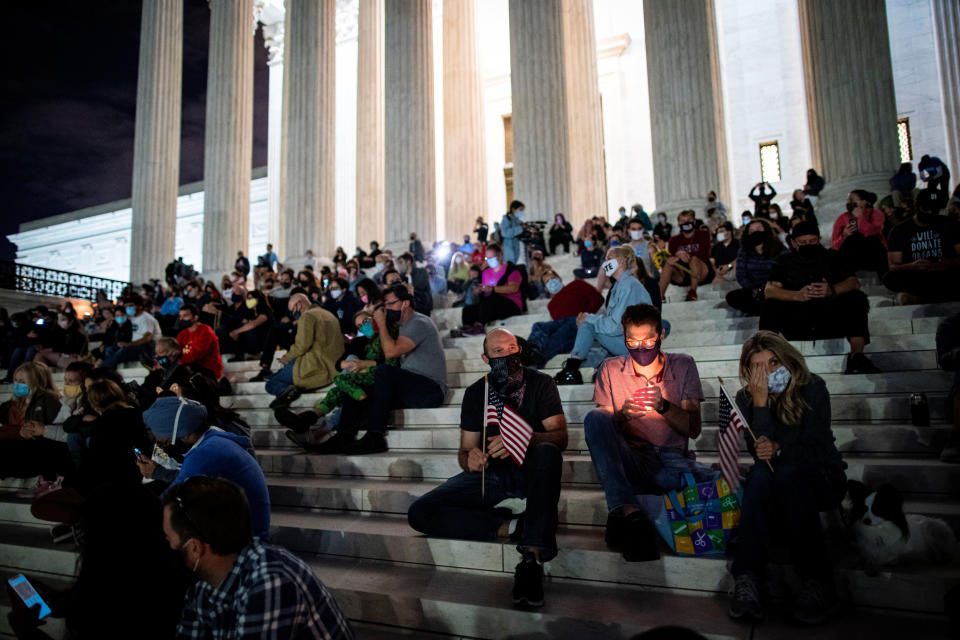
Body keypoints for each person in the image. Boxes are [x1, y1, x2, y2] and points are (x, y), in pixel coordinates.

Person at [407, 329, 566, 608]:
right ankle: (513, 525)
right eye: (498, 352)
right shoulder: (476, 392)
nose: (508, 355)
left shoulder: (541, 383)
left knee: (547, 452)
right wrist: (469, 458)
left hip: (533, 470)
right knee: (420, 513)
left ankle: (531, 556)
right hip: (491, 474)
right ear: (485, 358)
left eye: (512, 348)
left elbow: (560, 437)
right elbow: (464, 449)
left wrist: (523, 438)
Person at [728, 331, 846, 625]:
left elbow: (816, 445)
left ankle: (818, 582)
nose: (767, 372)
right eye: (758, 366)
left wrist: (778, 448)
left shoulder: (813, 387)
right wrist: (760, 404)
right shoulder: (748, 398)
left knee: (790, 472)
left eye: (773, 362)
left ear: (787, 360)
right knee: (759, 475)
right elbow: (761, 458)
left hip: (820, 476)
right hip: (775, 482)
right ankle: (748, 578)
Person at [583, 303, 706, 562]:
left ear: (661, 335)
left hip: (671, 461)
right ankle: (631, 513)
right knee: (595, 417)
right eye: (632, 341)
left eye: (648, 340)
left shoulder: (682, 365)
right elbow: (602, 434)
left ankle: (622, 513)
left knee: (713, 482)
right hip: (633, 458)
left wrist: (663, 406)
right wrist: (623, 415)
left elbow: (693, 429)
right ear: (624, 338)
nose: (640, 348)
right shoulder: (610, 368)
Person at [163, 477, 354, 639]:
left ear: (195, 548)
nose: (168, 547)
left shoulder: (269, 582)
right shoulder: (204, 587)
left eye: (168, 538)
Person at [307, 284, 446, 455]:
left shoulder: (419, 322)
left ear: (405, 304)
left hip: (429, 390)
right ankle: (343, 437)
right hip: (407, 389)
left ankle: (375, 436)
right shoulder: (400, 327)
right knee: (356, 388)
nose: (386, 309)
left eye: (389, 304)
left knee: (384, 371)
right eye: (384, 305)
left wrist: (380, 321)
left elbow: (390, 352)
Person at [139, 396, 270, 538]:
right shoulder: (213, 437)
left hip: (246, 540)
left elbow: (167, 503)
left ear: (180, 434)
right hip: (247, 528)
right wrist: (159, 472)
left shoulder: (205, 453)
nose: (164, 449)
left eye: (164, 443)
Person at [760, 221, 880, 374]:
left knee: (856, 297)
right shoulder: (783, 262)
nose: (808, 245)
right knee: (770, 304)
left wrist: (832, 290)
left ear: (819, 239)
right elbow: (769, 290)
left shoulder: (834, 257)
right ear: (793, 242)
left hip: (829, 317)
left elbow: (853, 282)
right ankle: (766, 358)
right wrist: (797, 295)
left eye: (812, 241)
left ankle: (857, 356)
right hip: (798, 318)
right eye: (803, 242)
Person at [555, 246, 653, 385]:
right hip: (626, 341)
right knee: (586, 337)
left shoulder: (629, 286)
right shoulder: (619, 286)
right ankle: (585, 367)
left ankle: (572, 370)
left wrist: (588, 318)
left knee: (587, 325)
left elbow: (615, 327)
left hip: (638, 346)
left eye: (608, 258)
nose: (604, 262)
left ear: (620, 260)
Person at [266, 294, 344, 408]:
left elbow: (302, 345)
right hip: (333, 365)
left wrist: (286, 357)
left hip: (315, 366)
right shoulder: (328, 314)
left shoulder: (307, 316)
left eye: (293, 310)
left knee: (270, 384)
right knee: (277, 375)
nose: (293, 314)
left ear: (299, 303)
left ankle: (287, 391)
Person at [883, 188, 960, 303]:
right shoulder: (899, 231)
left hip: (944, 273)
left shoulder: (950, 224)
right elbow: (893, 266)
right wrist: (913, 266)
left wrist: (946, 263)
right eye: (926, 208)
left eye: (934, 209)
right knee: (890, 278)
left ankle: (918, 298)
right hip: (916, 275)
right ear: (916, 206)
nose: (930, 212)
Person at [525, 271, 605, 369]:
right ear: (546, 288)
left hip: (579, 324)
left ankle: (535, 361)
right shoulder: (551, 306)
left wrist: (585, 316)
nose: (552, 281)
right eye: (547, 281)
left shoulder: (577, 284)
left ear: (560, 278)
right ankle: (532, 350)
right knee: (538, 326)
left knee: (567, 326)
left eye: (553, 278)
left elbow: (598, 298)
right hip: (564, 328)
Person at [456, 243, 526, 336]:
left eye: (492, 258)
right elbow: (485, 291)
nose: (489, 261)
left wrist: (492, 289)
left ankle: (480, 327)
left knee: (490, 301)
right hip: (490, 303)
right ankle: (467, 328)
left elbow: (513, 288)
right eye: (487, 258)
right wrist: (479, 290)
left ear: (500, 255)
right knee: (468, 310)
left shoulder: (512, 270)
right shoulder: (485, 272)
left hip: (510, 304)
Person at [726, 219, 787, 316]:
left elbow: (786, 270)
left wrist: (768, 288)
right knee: (732, 297)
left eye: (758, 229)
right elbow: (741, 275)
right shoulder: (744, 251)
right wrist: (753, 289)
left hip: (775, 288)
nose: (755, 232)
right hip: (754, 291)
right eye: (752, 231)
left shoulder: (779, 248)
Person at [659, 209, 714, 301]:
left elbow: (704, 254)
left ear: (694, 221)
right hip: (683, 273)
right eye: (682, 221)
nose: (686, 223)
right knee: (668, 264)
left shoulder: (703, 234)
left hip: (701, 271)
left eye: (689, 220)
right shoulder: (673, 240)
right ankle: (660, 296)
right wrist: (676, 256)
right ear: (678, 224)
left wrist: (686, 256)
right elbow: (671, 257)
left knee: (694, 259)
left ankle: (692, 292)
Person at [830, 190, 888, 276]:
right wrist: (844, 236)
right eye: (847, 200)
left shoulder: (876, 214)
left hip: (873, 253)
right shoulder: (842, 218)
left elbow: (872, 233)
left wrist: (860, 217)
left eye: (851, 200)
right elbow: (834, 246)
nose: (848, 202)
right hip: (852, 258)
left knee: (866, 238)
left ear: (863, 202)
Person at [100, 297, 159, 368]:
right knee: (110, 350)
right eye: (126, 306)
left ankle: (102, 369)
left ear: (139, 306)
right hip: (133, 346)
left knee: (123, 351)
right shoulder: (131, 318)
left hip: (145, 348)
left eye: (130, 306)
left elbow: (147, 338)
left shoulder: (146, 319)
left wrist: (129, 344)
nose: (128, 308)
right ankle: (109, 372)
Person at [215, 288, 271, 362]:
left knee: (245, 330)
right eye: (248, 298)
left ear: (258, 299)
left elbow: (253, 324)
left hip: (265, 338)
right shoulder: (251, 312)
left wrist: (237, 331)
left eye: (251, 298)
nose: (248, 301)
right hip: (253, 337)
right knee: (237, 327)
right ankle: (238, 355)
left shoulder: (265, 311)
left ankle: (255, 353)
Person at [176, 303, 223, 381]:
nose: (181, 319)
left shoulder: (205, 331)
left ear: (195, 317)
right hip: (191, 366)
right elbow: (176, 351)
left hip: (208, 369)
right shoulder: (182, 334)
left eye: (185, 316)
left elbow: (197, 354)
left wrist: (180, 362)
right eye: (180, 316)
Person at [396, 251, 433, 316]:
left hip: (423, 304)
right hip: (409, 308)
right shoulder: (401, 277)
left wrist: (407, 286)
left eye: (401, 262)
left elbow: (420, 286)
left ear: (408, 262)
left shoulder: (421, 272)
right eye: (398, 264)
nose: (399, 265)